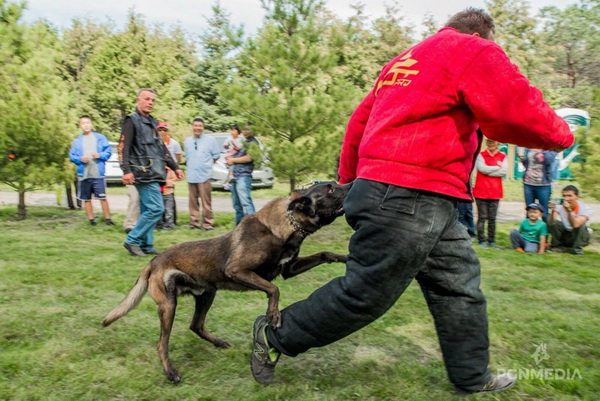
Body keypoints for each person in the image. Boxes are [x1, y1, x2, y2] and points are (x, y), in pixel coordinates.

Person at [249, 8, 574, 396]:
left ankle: (471, 376)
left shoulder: (405, 60)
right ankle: (275, 333)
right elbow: (513, 106)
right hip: (412, 192)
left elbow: (359, 122)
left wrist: (351, 182)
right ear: (484, 36)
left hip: (414, 195)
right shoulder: (474, 50)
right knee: (366, 293)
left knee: (458, 287)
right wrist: (563, 136)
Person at [119, 88, 184, 256]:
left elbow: (161, 148)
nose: (150, 102)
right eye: (146, 99)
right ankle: (132, 240)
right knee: (156, 209)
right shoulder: (131, 121)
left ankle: (146, 245)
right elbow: (123, 147)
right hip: (141, 172)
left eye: (152, 100)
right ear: (138, 100)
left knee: (148, 208)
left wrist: (175, 167)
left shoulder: (153, 123)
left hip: (154, 172)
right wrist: (126, 170)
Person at [69, 115, 115, 226]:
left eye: (88, 123)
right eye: (83, 123)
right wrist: (80, 159)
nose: (86, 125)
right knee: (86, 199)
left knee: (102, 197)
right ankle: (91, 220)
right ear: (80, 126)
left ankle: (108, 220)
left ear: (91, 124)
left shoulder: (100, 138)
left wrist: (99, 155)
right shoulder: (77, 141)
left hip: (98, 173)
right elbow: (72, 155)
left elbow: (108, 152)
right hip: (84, 174)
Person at [184, 118, 220, 230]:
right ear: (192, 127)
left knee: (206, 202)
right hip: (191, 175)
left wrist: (206, 166)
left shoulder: (210, 140)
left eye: (200, 126)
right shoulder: (187, 141)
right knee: (193, 202)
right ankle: (194, 223)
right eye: (195, 125)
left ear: (203, 127)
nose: (197, 128)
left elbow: (216, 156)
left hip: (204, 176)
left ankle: (207, 223)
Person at [473, 138, 508, 248]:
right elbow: (482, 169)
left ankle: (491, 240)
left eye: (493, 142)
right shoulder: (481, 155)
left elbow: (503, 171)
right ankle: (481, 240)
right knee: (482, 217)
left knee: (492, 218)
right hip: (481, 191)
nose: (490, 144)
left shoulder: (503, 156)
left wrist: (489, 171)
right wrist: (496, 167)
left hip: (495, 192)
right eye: (488, 142)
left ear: (498, 143)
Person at [226, 125, 259, 224]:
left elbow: (249, 158)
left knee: (246, 203)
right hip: (235, 175)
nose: (245, 131)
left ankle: (253, 226)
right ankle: (239, 227)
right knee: (237, 204)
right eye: (243, 129)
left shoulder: (253, 142)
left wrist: (233, 160)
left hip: (243, 176)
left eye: (247, 129)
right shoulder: (244, 142)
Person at [548, 185, 593, 255]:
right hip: (566, 235)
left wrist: (569, 211)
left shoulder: (585, 208)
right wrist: (553, 211)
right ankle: (557, 246)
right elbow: (551, 223)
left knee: (582, 225)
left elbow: (575, 224)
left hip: (580, 236)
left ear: (577, 196)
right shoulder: (560, 206)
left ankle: (577, 249)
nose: (566, 199)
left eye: (569, 196)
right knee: (556, 223)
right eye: (564, 196)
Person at [517, 147, 557, 221]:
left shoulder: (549, 148)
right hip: (528, 183)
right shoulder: (530, 147)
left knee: (544, 212)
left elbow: (549, 160)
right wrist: (522, 159)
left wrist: (541, 150)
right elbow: (528, 165)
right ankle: (529, 231)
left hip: (543, 185)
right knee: (529, 211)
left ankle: (545, 231)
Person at [221, 124, 244, 191]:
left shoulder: (240, 139)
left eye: (234, 130)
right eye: (231, 130)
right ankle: (229, 179)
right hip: (229, 154)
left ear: (238, 131)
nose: (232, 132)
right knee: (231, 162)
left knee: (232, 162)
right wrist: (227, 145)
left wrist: (233, 144)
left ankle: (227, 182)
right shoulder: (229, 138)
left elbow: (239, 148)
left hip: (237, 155)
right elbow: (225, 146)